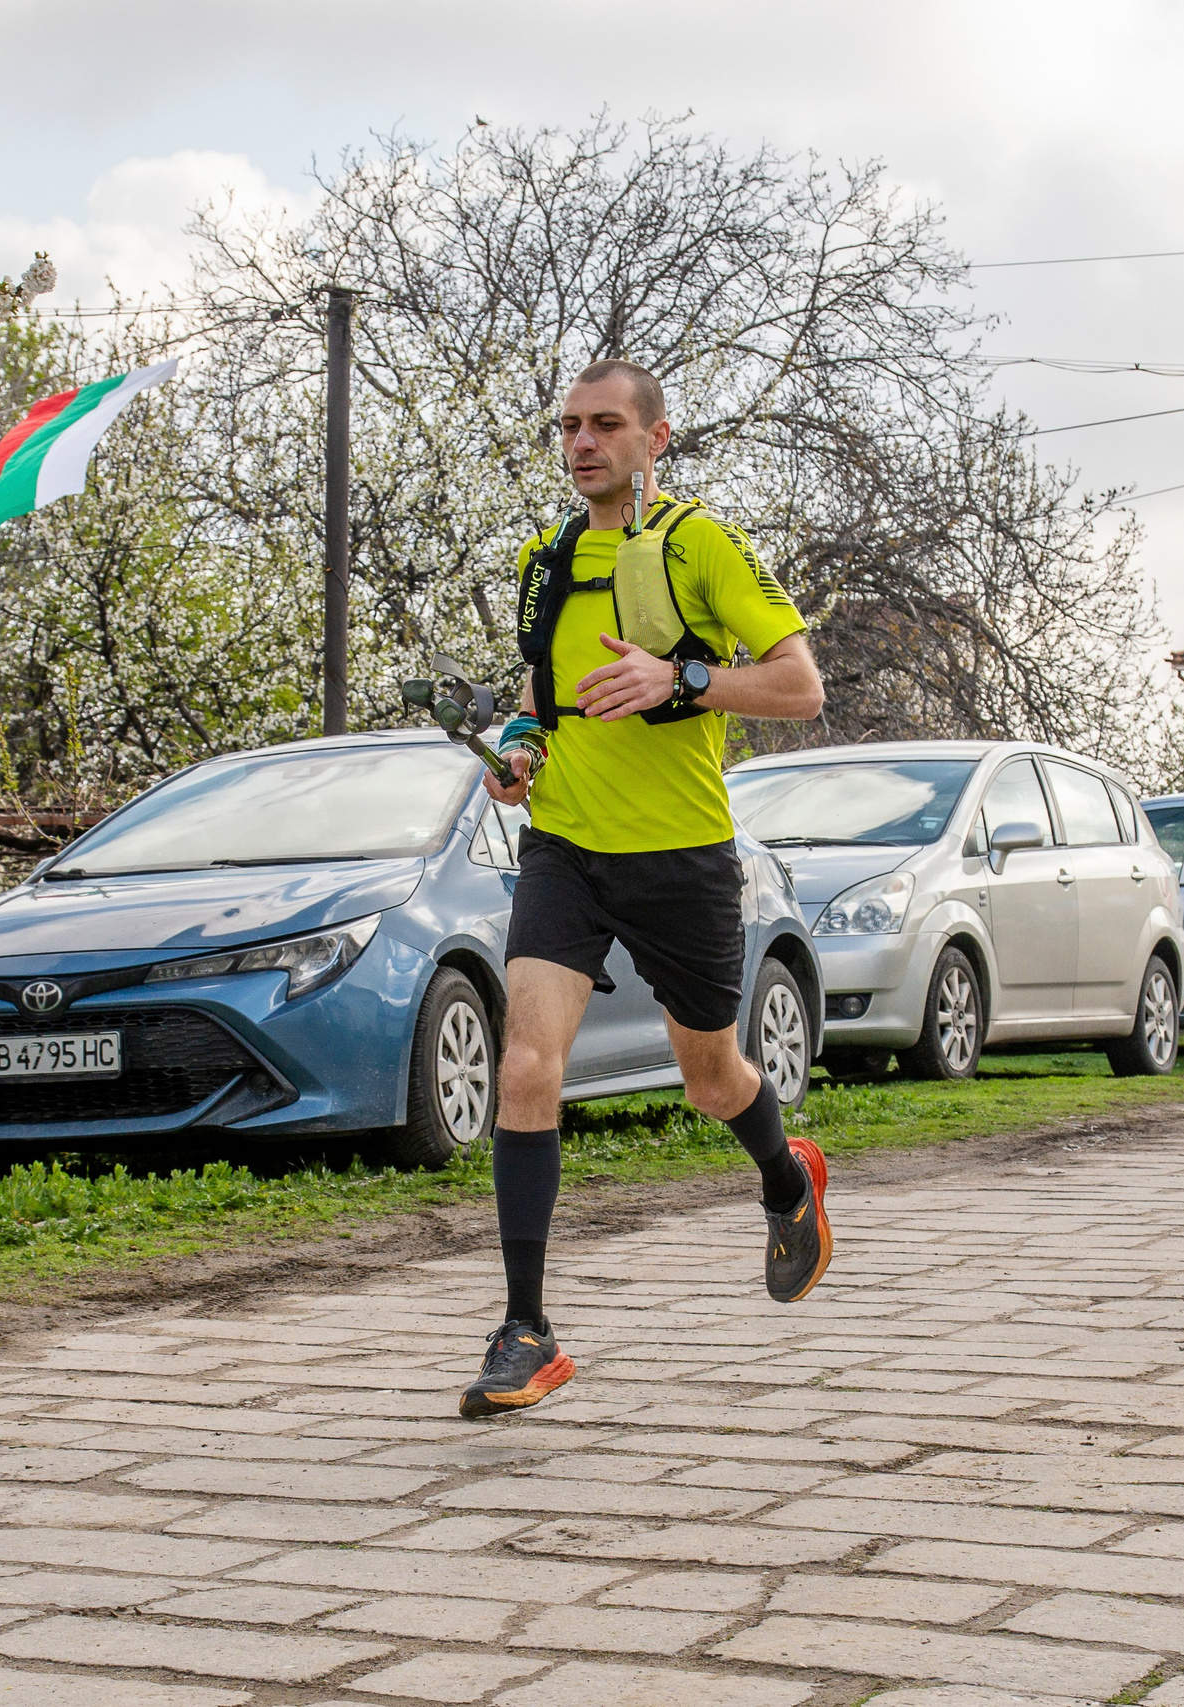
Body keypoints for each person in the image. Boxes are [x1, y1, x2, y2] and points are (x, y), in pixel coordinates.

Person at [462, 359, 831, 1418]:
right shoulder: (543, 562)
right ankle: (525, 1330)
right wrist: (517, 751)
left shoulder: (697, 547)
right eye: (569, 426)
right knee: (526, 1064)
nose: (583, 443)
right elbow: (540, 689)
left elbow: (801, 689)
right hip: (567, 850)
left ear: (655, 440)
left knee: (711, 1079)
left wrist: (685, 678)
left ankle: (784, 1178)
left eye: (607, 425)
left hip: (681, 858)